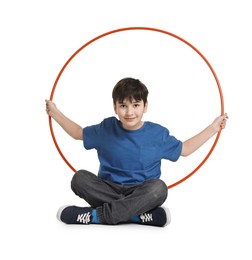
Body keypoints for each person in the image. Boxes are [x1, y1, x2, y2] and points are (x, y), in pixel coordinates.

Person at [45, 77, 228, 227]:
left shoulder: (157, 134)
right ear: (115, 107)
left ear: (145, 106)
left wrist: (213, 128)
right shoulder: (107, 128)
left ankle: (95, 216)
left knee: (159, 188)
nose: (129, 112)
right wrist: (55, 113)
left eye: (135, 105)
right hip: (108, 188)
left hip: (141, 191)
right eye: (123, 106)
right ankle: (136, 216)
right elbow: (78, 133)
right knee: (80, 179)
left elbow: (185, 149)